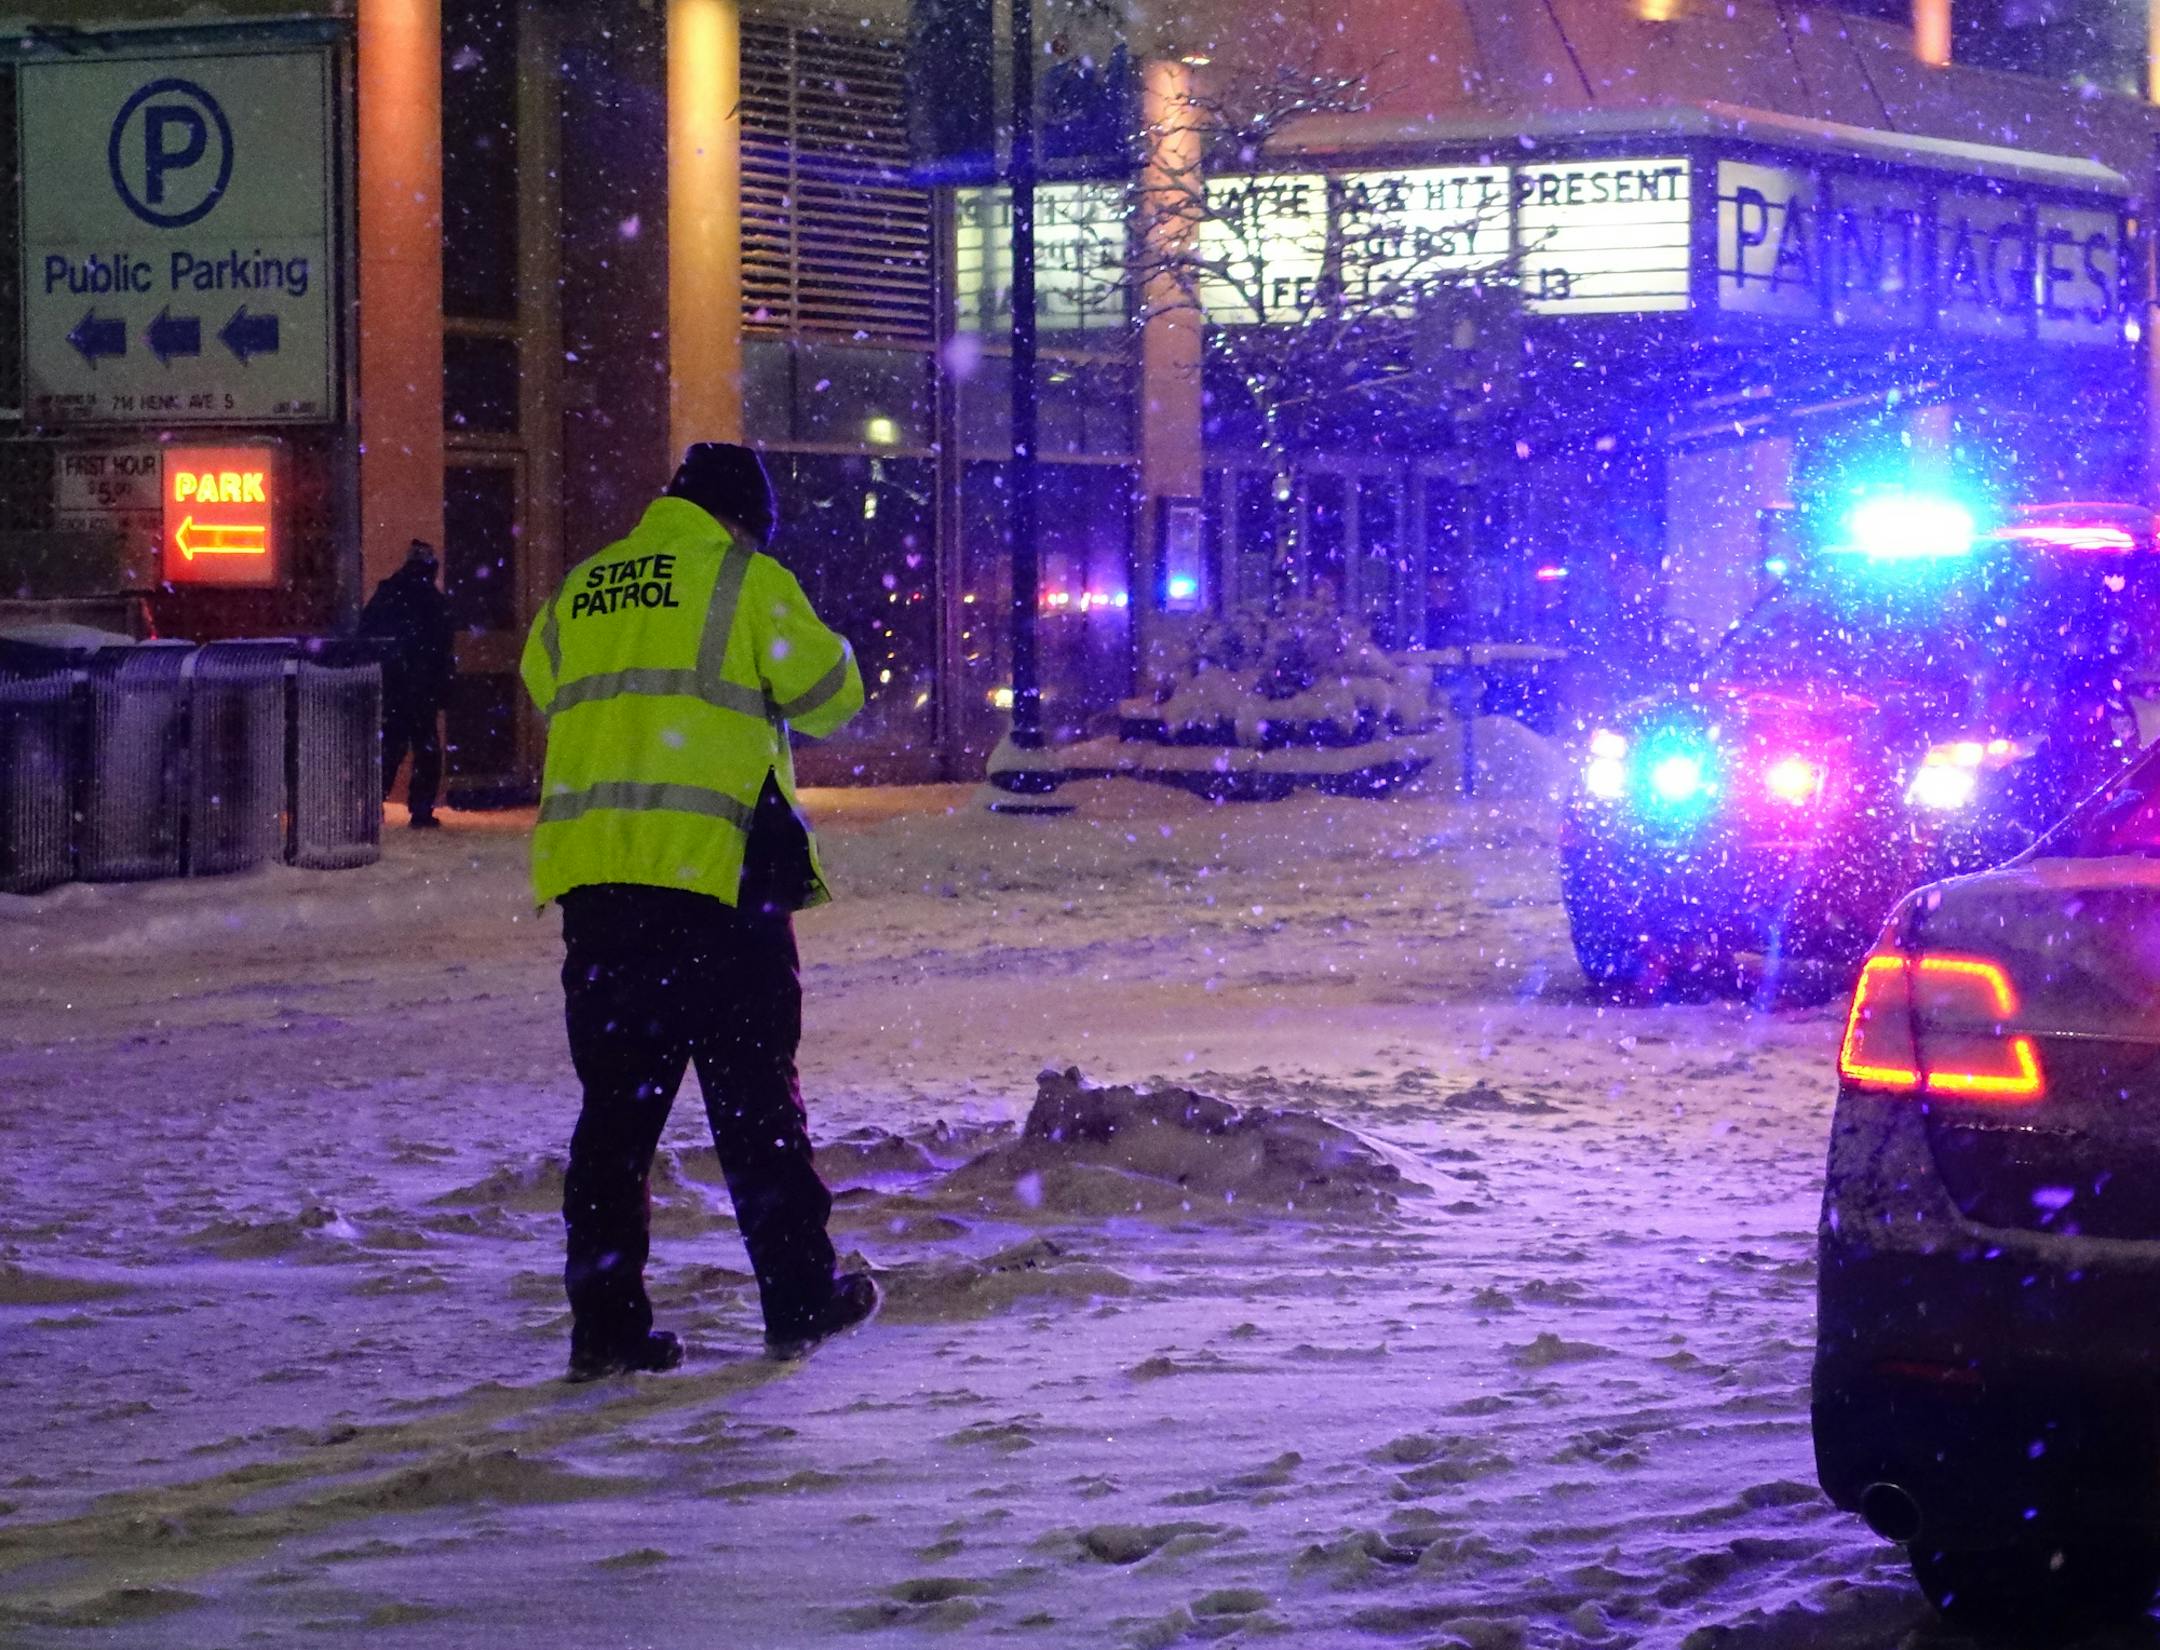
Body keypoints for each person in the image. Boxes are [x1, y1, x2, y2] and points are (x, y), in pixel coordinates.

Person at [519, 442, 876, 1381]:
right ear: (745, 517)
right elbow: (832, 697)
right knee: (756, 1106)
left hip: (599, 891)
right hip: (717, 887)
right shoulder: (746, 579)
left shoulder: (585, 585)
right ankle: (800, 1297)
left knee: (614, 1124)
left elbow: (541, 681)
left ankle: (606, 1330)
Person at [360, 539, 455, 828]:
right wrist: (441, 686)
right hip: (420, 686)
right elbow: (442, 648)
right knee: (425, 749)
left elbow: (367, 635)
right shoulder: (432, 601)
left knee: (391, 747)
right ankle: (421, 809)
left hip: (393, 685)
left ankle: (371, 805)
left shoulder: (387, 594)